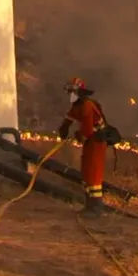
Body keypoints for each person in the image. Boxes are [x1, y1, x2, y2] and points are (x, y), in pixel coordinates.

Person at [57, 77, 108, 219]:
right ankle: (88, 205)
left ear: (80, 92)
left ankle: (96, 208)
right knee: (85, 171)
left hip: (97, 141)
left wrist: (79, 136)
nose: (70, 95)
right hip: (90, 142)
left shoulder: (86, 106)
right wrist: (63, 129)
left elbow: (87, 129)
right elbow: (69, 118)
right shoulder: (77, 106)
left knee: (93, 172)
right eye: (69, 92)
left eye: (73, 91)